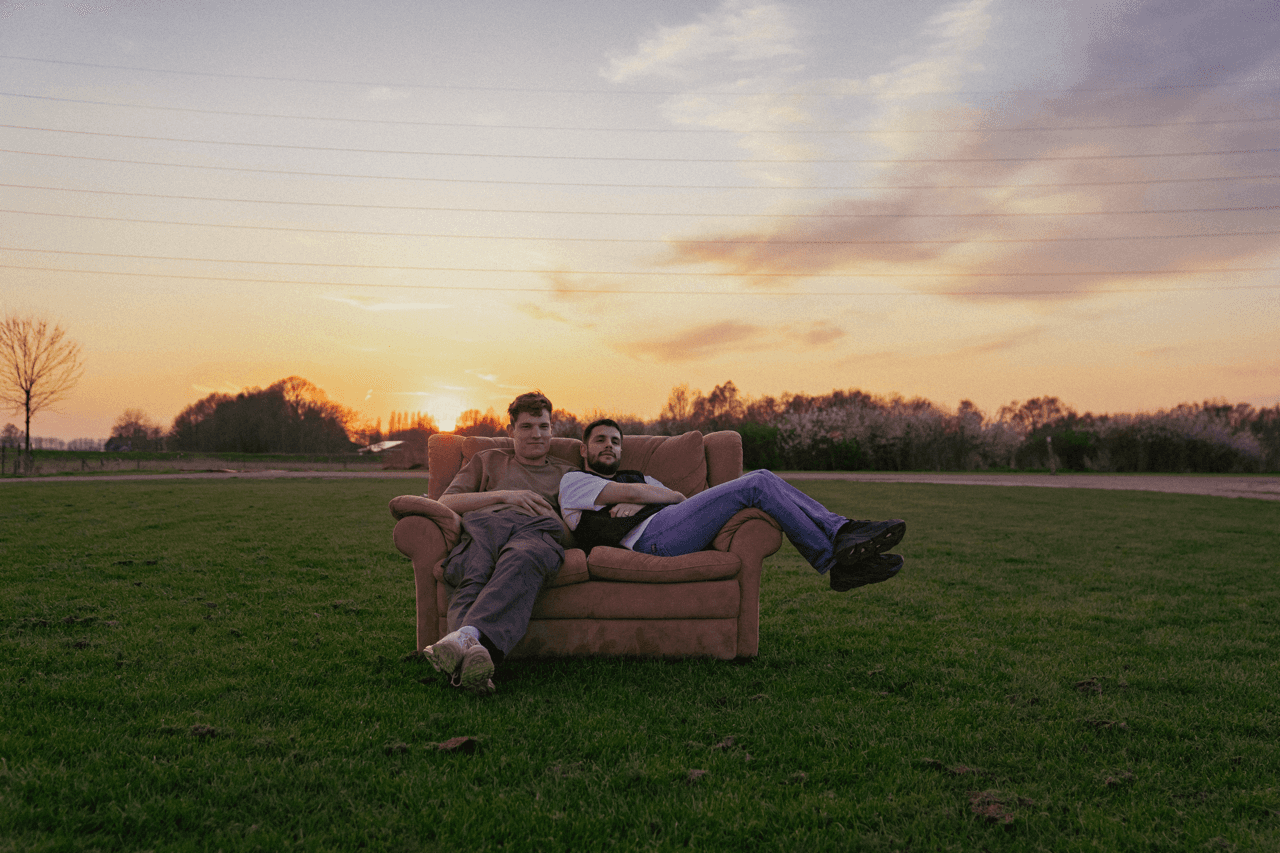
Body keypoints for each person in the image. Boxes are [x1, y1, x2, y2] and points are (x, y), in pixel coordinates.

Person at [559, 418, 906, 591]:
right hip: (649, 541)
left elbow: (679, 498)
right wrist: (638, 499)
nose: (609, 445)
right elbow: (641, 496)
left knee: (762, 478)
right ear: (584, 449)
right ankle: (840, 536)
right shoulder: (574, 482)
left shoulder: (640, 477)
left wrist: (642, 499)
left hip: (671, 525)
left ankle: (837, 555)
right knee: (757, 481)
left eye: (615, 441)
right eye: (600, 440)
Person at [422, 392, 578, 695]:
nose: (537, 435)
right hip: (484, 527)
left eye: (544, 427)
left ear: (552, 429)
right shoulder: (488, 460)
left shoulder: (568, 474)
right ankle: (476, 663)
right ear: (511, 431)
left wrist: (553, 517)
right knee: (473, 574)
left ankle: (463, 644)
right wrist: (506, 494)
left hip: (536, 532)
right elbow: (447, 501)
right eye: (527, 427)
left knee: (522, 561)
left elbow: (576, 537)